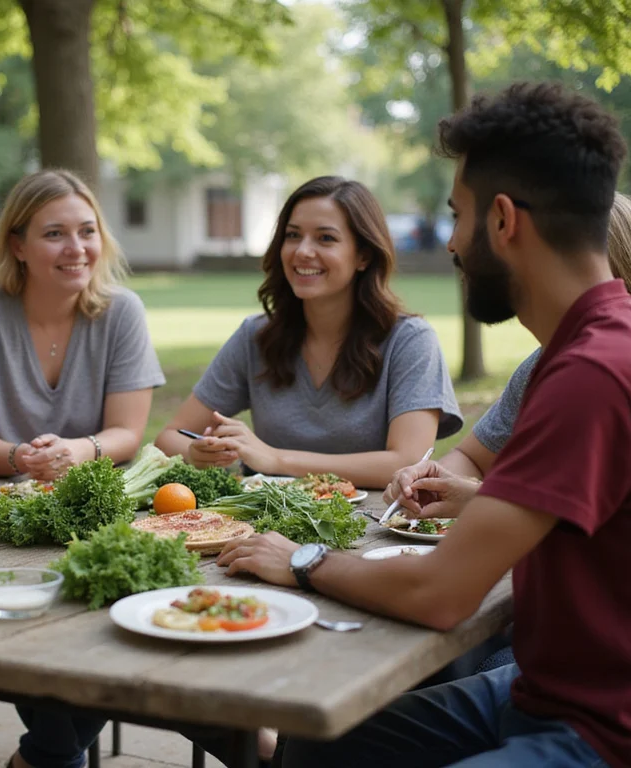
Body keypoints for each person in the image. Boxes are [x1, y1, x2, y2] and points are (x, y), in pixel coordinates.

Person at [219, 82, 631, 767]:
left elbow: (441, 594)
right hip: (537, 692)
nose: (450, 244)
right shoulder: (581, 351)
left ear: (503, 221)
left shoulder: (593, 372)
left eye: (456, 217)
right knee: (315, 747)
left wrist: (303, 557)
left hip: (600, 732)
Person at [154, 176, 462, 490]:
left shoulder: (410, 340)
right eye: (292, 235)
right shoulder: (255, 336)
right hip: (267, 522)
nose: (302, 251)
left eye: (325, 238)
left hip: (372, 529)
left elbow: (407, 462)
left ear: (363, 256)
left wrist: (276, 460)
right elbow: (169, 437)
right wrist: (196, 452)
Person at [384, 191, 631, 520]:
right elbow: (473, 457)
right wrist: (429, 482)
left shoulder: (603, 369)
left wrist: (482, 499)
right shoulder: (538, 366)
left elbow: (585, 514)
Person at [0, 169, 164, 481]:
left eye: (87, 231)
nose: (77, 248)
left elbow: (126, 432)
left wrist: (79, 451)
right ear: (18, 247)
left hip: (92, 495)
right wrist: (25, 458)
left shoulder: (123, 312)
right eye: (55, 234)